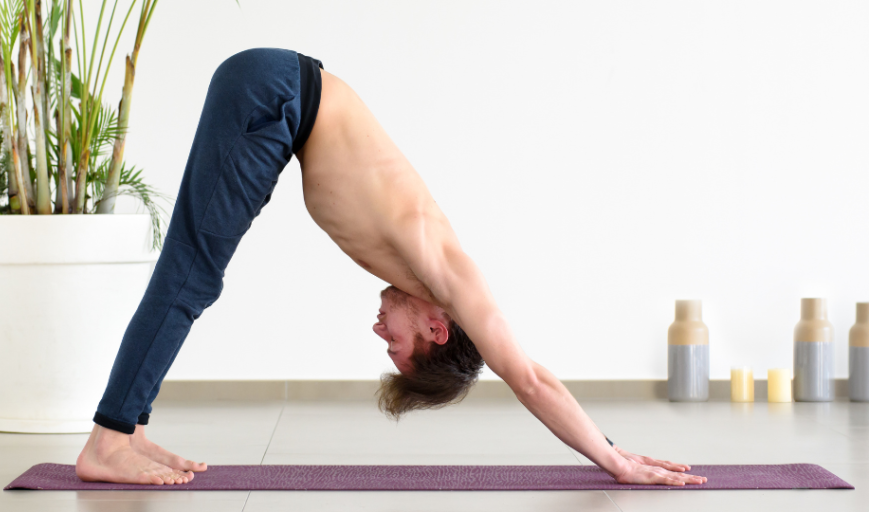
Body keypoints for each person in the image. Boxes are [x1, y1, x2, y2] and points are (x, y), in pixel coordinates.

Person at [75, 48, 707, 487]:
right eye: (397, 347)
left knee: (196, 273)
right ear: (438, 331)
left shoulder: (426, 274)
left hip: (279, 100)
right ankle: (109, 439)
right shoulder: (450, 276)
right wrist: (613, 458)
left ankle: (127, 430)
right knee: (192, 275)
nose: (380, 333)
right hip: (276, 92)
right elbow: (529, 378)